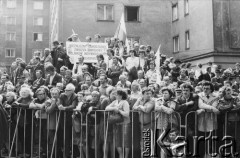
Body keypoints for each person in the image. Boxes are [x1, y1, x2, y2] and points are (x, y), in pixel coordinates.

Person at [105, 89, 130, 158]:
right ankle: (121, 155)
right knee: (118, 140)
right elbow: (107, 108)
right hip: (117, 123)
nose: (116, 95)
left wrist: (119, 110)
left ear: (121, 95)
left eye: (117, 94)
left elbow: (127, 114)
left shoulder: (125, 102)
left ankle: (126, 156)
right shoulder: (114, 101)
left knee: (126, 140)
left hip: (125, 124)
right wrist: (113, 108)